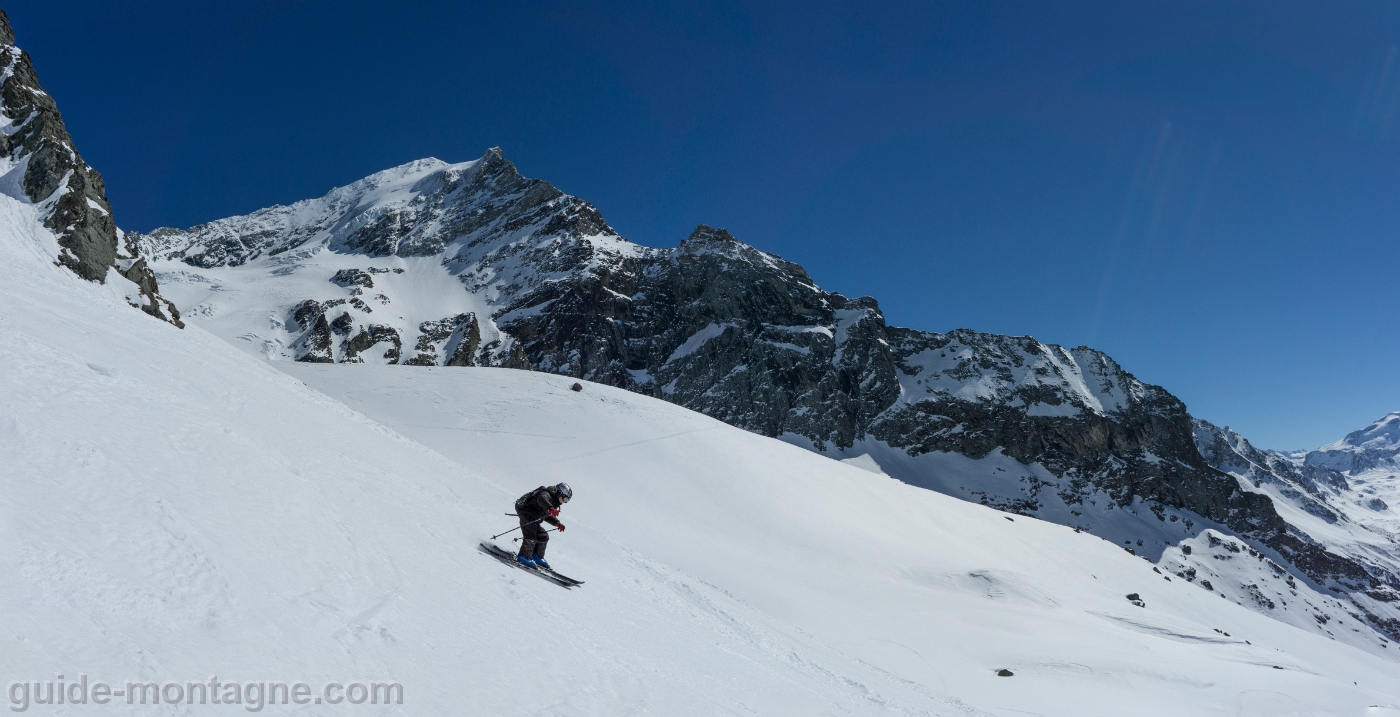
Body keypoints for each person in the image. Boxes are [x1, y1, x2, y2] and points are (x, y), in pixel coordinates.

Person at [513, 483, 572, 568]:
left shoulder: (552, 502)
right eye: (565, 499)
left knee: (543, 536)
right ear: (560, 493)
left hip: (533, 519)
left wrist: (556, 523)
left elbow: (545, 516)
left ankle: (536, 556)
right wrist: (550, 508)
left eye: (566, 501)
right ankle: (524, 556)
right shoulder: (546, 493)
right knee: (531, 537)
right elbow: (541, 499)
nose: (564, 502)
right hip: (527, 515)